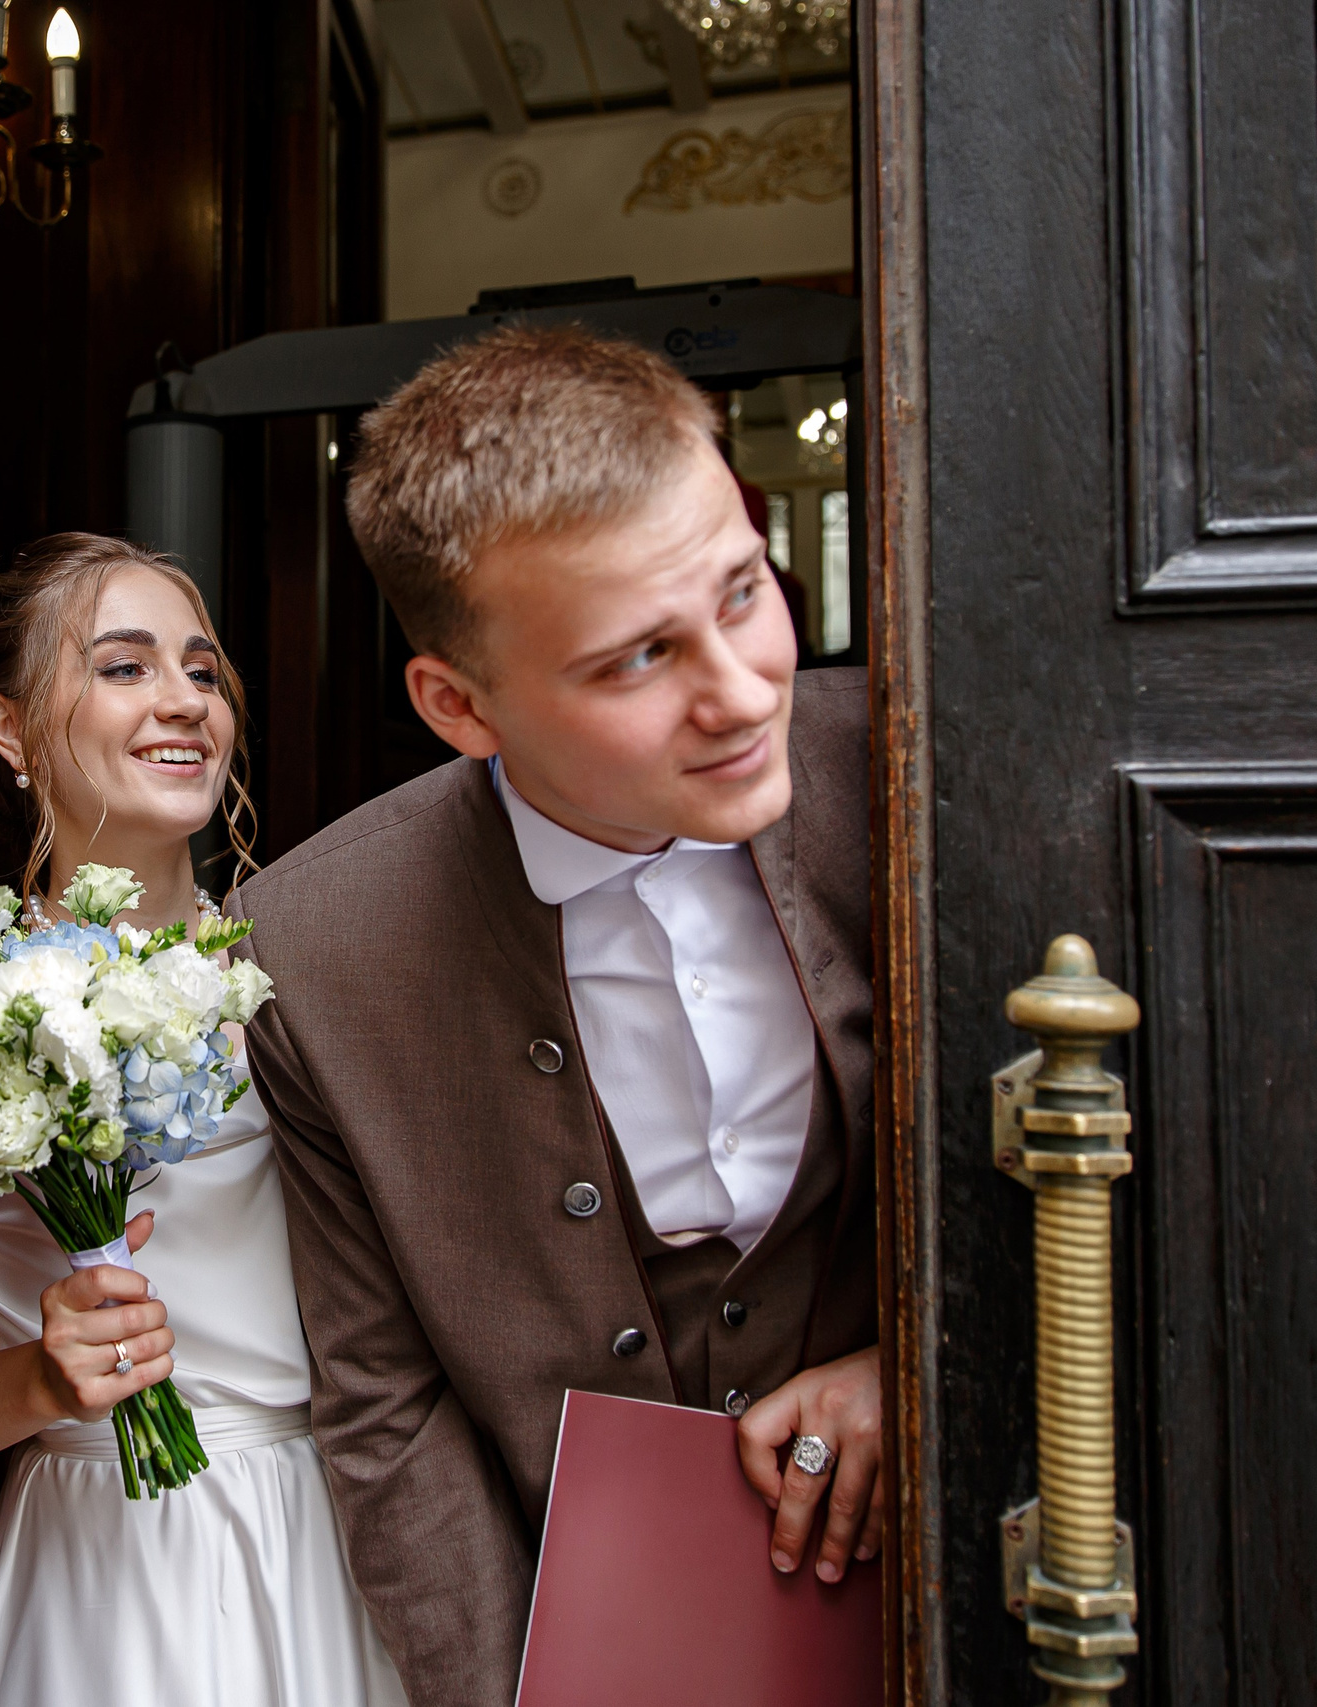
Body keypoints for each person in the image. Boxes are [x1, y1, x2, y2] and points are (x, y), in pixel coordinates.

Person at [229, 326, 880, 1707]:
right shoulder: (311, 951)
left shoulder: (911, 763)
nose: (745, 686)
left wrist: (918, 1367)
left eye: (745, 592)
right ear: (457, 703)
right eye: (641, 656)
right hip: (588, 1637)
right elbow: (385, 1405)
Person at [0, 534, 403, 1707]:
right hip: (108, 1570)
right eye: (126, 668)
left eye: (202, 668)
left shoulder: (326, 968)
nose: (184, 699)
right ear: (9, 728)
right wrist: (40, 1380)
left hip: (343, 1538)